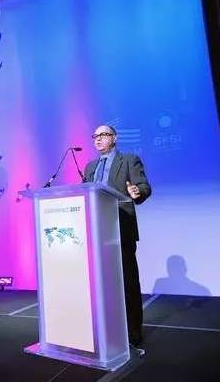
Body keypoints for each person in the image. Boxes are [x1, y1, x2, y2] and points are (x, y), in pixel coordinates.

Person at [83, 124, 151, 346]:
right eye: (95, 136)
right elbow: (85, 193)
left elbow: (144, 186)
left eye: (103, 135)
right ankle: (106, 330)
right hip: (96, 232)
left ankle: (133, 333)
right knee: (101, 285)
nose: (98, 139)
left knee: (127, 283)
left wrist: (137, 191)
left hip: (121, 228)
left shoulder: (129, 160)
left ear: (114, 138)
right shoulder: (90, 166)